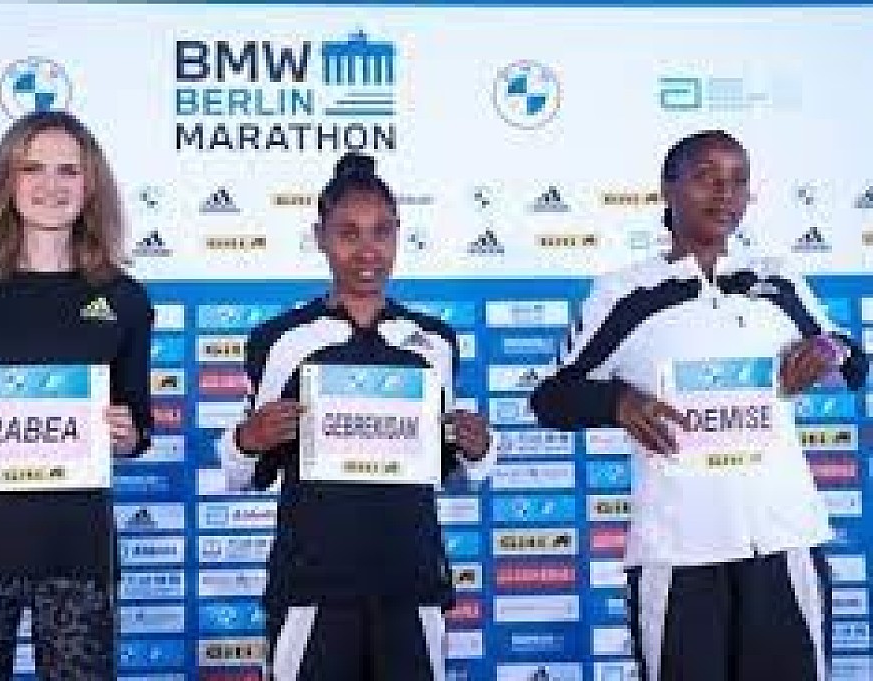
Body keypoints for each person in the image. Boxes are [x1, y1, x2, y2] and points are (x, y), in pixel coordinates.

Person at [530, 130, 866, 681]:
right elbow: (550, 397)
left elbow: (852, 360)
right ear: (668, 188)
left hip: (785, 544)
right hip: (677, 555)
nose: (724, 192)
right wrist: (616, 401)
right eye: (706, 176)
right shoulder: (625, 294)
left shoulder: (778, 280)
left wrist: (829, 350)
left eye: (738, 179)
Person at [219, 152, 492, 681]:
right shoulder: (281, 341)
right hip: (313, 588)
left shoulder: (434, 342)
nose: (368, 250)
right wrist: (248, 440)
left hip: (412, 583)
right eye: (348, 233)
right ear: (320, 237)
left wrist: (477, 450)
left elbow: (451, 469)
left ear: (399, 236)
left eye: (381, 232)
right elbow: (244, 474)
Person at [0, 110, 153, 680]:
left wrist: (128, 433)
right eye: (33, 167)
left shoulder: (124, 298)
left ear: (91, 185)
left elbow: (138, 423)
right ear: (7, 180)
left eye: (69, 170)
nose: (51, 185)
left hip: (79, 553)